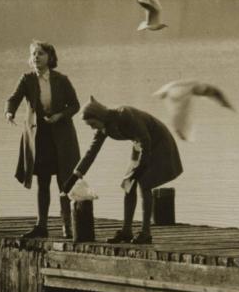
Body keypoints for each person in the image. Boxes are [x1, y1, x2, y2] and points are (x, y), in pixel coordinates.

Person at [62, 97, 182, 244]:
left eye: (93, 124)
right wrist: (74, 177)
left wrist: (142, 166)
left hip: (158, 142)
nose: (93, 128)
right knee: (127, 184)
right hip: (140, 145)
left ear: (100, 116)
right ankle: (126, 231)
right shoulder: (103, 128)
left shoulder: (124, 114)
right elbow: (91, 153)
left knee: (145, 183)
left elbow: (146, 139)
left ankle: (146, 233)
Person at [5, 41, 82, 239]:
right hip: (40, 137)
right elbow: (14, 98)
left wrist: (60, 116)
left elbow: (75, 105)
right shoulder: (27, 79)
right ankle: (42, 226)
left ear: (50, 57)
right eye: (33, 54)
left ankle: (68, 226)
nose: (36, 57)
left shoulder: (61, 79)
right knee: (43, 182)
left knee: (65, 182)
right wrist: (9, 112)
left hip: (62, 136)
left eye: (40, 53)